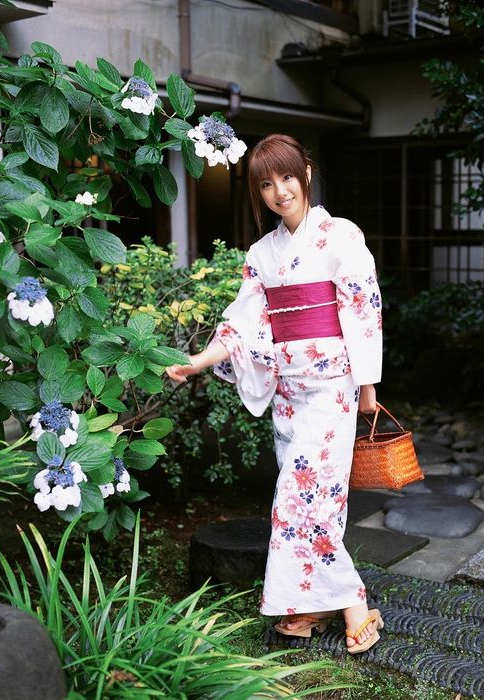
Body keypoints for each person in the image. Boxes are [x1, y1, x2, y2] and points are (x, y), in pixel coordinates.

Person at [166, 134, 384, 654]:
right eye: (266, 183)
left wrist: (368, 387)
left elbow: (361, 310)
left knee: (300, 500)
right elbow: (242, 324)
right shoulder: (262, 254)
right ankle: (306, 607)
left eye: (287, 177)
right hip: (289, 394)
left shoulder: (341, 236)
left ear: (306, 172)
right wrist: (196, 362)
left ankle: (353, 603)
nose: (279, 191)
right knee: (308, 503)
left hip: (332, 390)